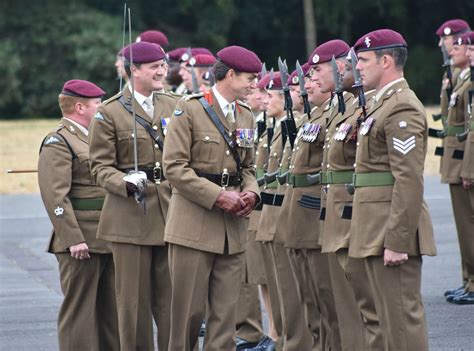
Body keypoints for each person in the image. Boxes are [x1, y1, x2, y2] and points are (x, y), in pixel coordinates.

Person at [163, 45, 261, 351]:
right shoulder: (189, 109)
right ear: (230, 75)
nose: (254, 85)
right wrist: (219, 197)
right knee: (188, 315)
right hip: (194, 224)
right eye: (250, 78)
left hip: (232, 230)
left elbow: (248, 166)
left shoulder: (245, 115)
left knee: (225, 315)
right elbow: (174, 167)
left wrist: (252, 192)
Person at [350, 29, 437, 350]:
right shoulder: (381, 103)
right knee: (386, 323)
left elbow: (409, 179)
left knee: (401, 322)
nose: (357, 66)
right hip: (374, 229)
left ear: (386, 60)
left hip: (391, 232)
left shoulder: (401, 107)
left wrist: (398, 240)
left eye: (363, 60)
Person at [89, 42, 177, 351]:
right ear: (133, 71)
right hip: (130, 215)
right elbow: (99, 167)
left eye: (163, 65)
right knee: (133, 305)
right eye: (153, 66)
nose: (161, 70)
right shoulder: (109, 112)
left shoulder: (175, 105)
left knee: (173, 302)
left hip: (171, 213)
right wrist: (124, 182)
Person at [38, 79, 119, 350]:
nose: (103, 108)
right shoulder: (58, 141)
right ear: (80, 106)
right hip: (81, 240)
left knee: (111, 311)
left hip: (106, 236)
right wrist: (73, 238)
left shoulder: (94, 137)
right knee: (80, 312)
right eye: (98, 104)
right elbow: (55, 196)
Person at [319, 50, 383, 350]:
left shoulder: (365, 106)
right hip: (335, 206)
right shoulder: (340, 108)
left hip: (354, 206)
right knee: (341, 299)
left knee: (364, 302)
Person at [441, 30, 474, 305]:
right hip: (459, 158)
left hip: (466, 160)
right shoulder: (461, 80)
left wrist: (468, 168)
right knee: (465, 227)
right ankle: (468, 279)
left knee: (469, 225)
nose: (451, 49)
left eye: (461, 46)